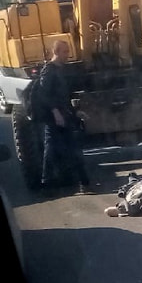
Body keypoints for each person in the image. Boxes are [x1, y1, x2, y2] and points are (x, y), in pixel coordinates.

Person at [40, 40, 91, 194]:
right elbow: (44, 95)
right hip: (53, 119)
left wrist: (76, 112)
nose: (67, 55)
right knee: (50, 153)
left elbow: (65, 97)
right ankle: (46, 185)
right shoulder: (48, 70)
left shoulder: (62, 70)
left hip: (65, 116)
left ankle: (84, 184)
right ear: (56, 52)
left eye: (68, 51)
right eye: (65, 52)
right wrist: (55, 113)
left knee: (75, 150)